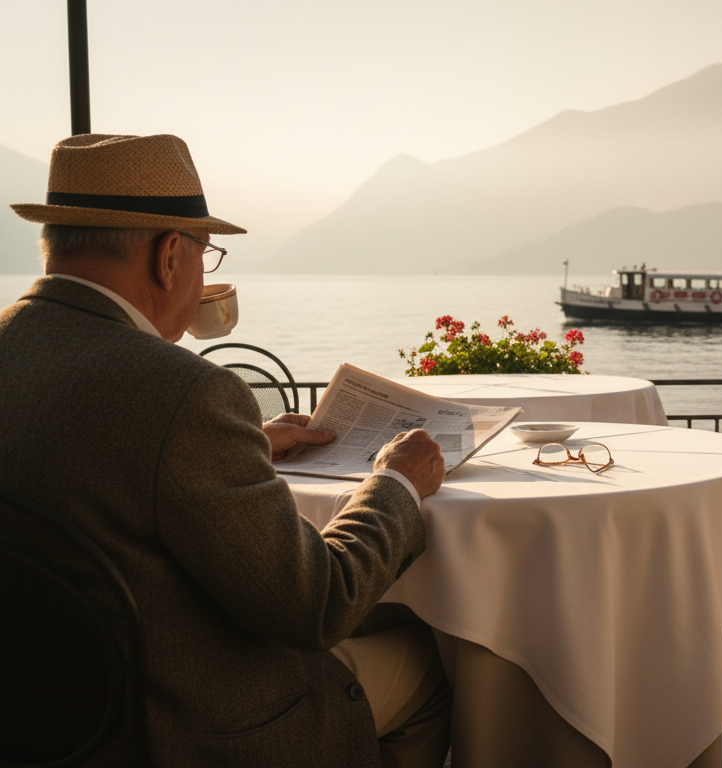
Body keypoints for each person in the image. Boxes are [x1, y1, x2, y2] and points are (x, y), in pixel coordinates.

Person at [0, 134, 451, 766]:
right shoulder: (183, 392)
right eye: (205, 255)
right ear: (169, 258)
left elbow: (87, 464)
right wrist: (396, 485)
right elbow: (316, 604)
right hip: (182, 728)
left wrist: (248, 447)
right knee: (434, 656)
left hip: (45, 720)